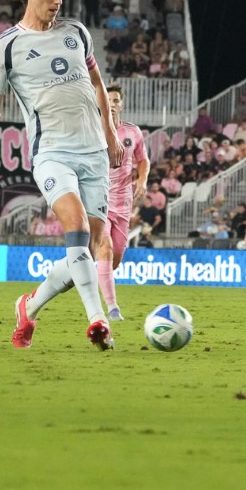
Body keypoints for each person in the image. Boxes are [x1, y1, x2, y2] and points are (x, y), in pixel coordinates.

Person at [0, 0, 123, 351]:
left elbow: (98, 85)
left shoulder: (77, 32)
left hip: (95, 153)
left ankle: (28, 307)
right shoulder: (6, 46)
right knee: (78, 232)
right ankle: (97, 321)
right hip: (53, 152)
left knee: (87, 248)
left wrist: (111, 133)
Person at [95, 84, 149, 321]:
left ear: (121, 105)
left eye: (116, 100)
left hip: (124, 203)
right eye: (108, 100)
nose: (112, 104)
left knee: (115, 259)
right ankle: (112, 308)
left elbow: (143, 161)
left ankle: (94, 273)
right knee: (105, 249)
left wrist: (142, 179)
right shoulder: (91, 130)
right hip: (98, 200)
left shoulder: (133, 133)